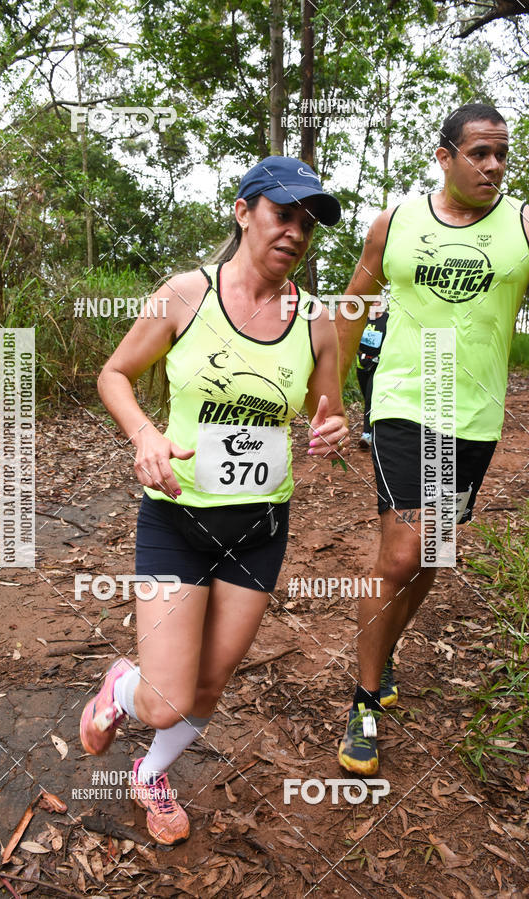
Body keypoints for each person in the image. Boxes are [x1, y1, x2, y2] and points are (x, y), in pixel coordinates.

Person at [79, 156, 348, 844]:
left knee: (209, 685)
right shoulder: (185, 294)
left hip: (260, 526)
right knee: (166, 696)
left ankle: (150, 773)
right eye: (283, 213)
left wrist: (331, 429)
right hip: (176, 516)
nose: (296, 232)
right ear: (243, 211)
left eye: (308, 223)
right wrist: (144, 432)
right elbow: (114, 373)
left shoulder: (318, 323)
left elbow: (328, 412)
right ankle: (121, 686)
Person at [334, 103, 529, 775]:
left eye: (503, 152)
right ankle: (364, 701)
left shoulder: (523, 226)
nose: (495, 165)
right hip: (405, 403)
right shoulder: (396, 223)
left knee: (432, 558)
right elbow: (354, 305)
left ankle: (381, 647)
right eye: (479, 152)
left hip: (473, 416)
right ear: (444, 156)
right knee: (402, 551)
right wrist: (328, 395)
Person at [355, 303, 389, 448]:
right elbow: (353, 337)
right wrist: (359, 354)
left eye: (378, 301)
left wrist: (381, 356)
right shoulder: (360, 318)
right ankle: (377, 424)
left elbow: (392, 340)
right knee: (366, 397)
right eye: (373, 301)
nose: (376, 304)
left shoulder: (387, 319)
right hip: (361, 363)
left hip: (378, 365)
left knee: (370, 397)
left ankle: (367, 434)